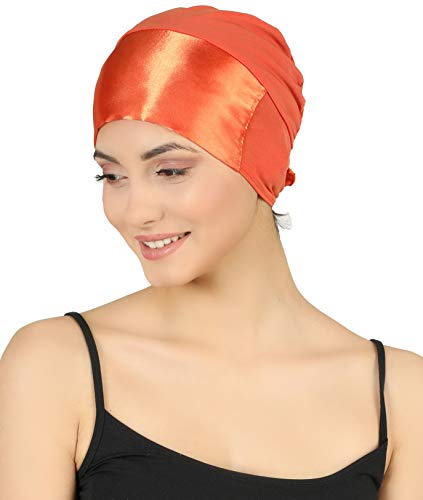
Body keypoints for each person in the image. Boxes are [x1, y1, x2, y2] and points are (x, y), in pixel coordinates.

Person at [1, 5, 422, 500]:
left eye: (171, 171)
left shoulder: (401, 395)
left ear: (261, 165)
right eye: (112, 176)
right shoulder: (54, 363)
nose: (136, 212)